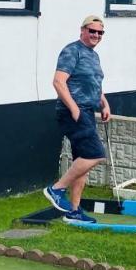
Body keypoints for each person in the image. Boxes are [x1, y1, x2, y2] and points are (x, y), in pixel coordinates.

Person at [44, 16, 110, 223]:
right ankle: (55, 190)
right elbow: (58, 81)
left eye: (100, 33)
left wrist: (104, 103)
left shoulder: (94, 56)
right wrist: (74, 109)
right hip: (73, 111)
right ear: (82, 30)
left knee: (83, 162)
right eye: (92, 31)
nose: (96, 35)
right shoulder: (72, 50)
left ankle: (74, 211)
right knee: (96, 154)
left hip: (88, 111)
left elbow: (92, 84)